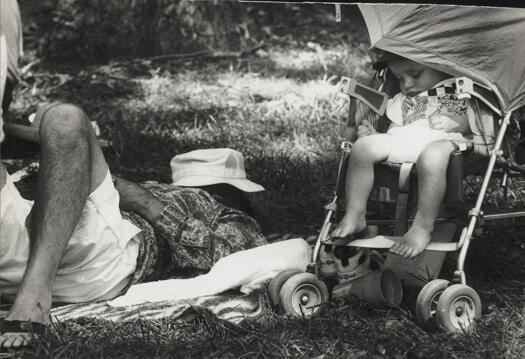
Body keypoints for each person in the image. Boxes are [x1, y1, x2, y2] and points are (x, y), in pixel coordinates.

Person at [0, 123, 267, 350]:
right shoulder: (162, 190)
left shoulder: (227, 215)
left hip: (95, 257)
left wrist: (147, 204)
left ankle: (34, 293)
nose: (205, 194)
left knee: (65, 120)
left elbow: (229, 257)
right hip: (33, 242)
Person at [330, 52, 472, 259]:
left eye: (415, 74)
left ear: (440, 64)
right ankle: (355, 213)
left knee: (431, 156)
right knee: (362, 147)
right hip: (405, 140)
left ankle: (422, 227)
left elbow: (474, 121)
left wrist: (455, 122)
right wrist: (376, 136)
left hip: (442, 142)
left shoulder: (456, 89)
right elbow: (395, 130)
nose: (406, 84)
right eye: (398, 78)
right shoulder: (403, 99)